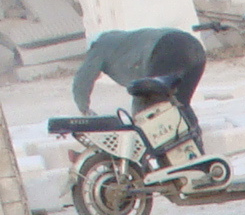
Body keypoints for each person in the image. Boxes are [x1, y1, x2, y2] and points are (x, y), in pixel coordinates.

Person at [70, 26, 209, 148]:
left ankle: (141, 157)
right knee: (179, 104)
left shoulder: (99, 46)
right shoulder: (124, 42)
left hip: (166, 48)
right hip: (194, 47)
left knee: (145, 109)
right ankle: (196, 150)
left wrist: (84, 109)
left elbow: (83, 78)